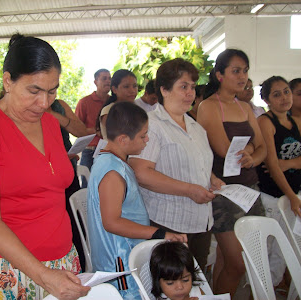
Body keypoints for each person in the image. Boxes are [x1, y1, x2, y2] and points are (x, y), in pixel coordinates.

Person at [0, 34, 90, 300]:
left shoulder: (49, 124)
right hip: (6, 271)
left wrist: (56, 270)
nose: (44, 103)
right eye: (34, 91)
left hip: (60, 264)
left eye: (52, 91)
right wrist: (43, 274)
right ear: (7, 81)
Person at [129, 58, 224, 272]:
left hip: (200, 221)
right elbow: (141, 173)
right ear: (164, 89)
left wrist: (212, 179)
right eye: (183, 87)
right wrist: (190, 190)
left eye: (192, 87)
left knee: (196, 282)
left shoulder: (195, 126)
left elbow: (199, 163)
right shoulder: (151, 125)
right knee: (172, 285)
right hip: (168, 221)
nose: (190, 93)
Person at [87, 102, 186, 300]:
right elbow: (112, 222)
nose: (147, 140)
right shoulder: (112, 172)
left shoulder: (115, 161)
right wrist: (159, 233)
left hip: (126, 255)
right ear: (123, 139)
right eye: (143, 136)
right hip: (119, 265)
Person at [197, 49, 266, 296]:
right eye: (236, 71)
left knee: (229, 262)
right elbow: (225, 150)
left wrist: (252, 155)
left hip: (249, 188)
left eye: (245, 71)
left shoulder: (245, 106)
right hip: (223, 192)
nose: (243, 76)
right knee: (237, 263)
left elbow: (263, 149)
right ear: (220, 75)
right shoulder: (208, 106)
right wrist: (249, 150)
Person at [256, 76, 301, 288]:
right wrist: (292, 197)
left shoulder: (294, 122)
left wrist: (290, 163)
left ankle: (272, 288)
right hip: (272, 196)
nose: (284, 97)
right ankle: (260, 289)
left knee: (285, 248)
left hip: (292, 193)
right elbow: (272, 165)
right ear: (267, 100)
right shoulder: (266, 122)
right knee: (267, 246)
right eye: (276, 94)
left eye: (286, 91)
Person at [48, 98, 88, 269]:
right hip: (45, 182)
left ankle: (81, 268)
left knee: (74, 226)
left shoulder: (59, 106)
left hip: (68, 175)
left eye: (52, 90)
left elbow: (82, 131)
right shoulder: (23, 109)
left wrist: (54, 116)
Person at [75, 69, 111, 174]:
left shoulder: (114, 102)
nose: (108, 81)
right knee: (87, 186)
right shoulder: (84, 102)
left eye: (109, 79)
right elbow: (76, 130)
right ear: (95, 82)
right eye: (104, 79)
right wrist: (96, 131)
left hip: (110, 150)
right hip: (90, 151)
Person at [98, 69, 138, 139]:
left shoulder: (136, 109)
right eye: (126, 87)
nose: (132, 90)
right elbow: (122, 138)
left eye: (134, 86)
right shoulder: (108, 110)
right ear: (114, 89)